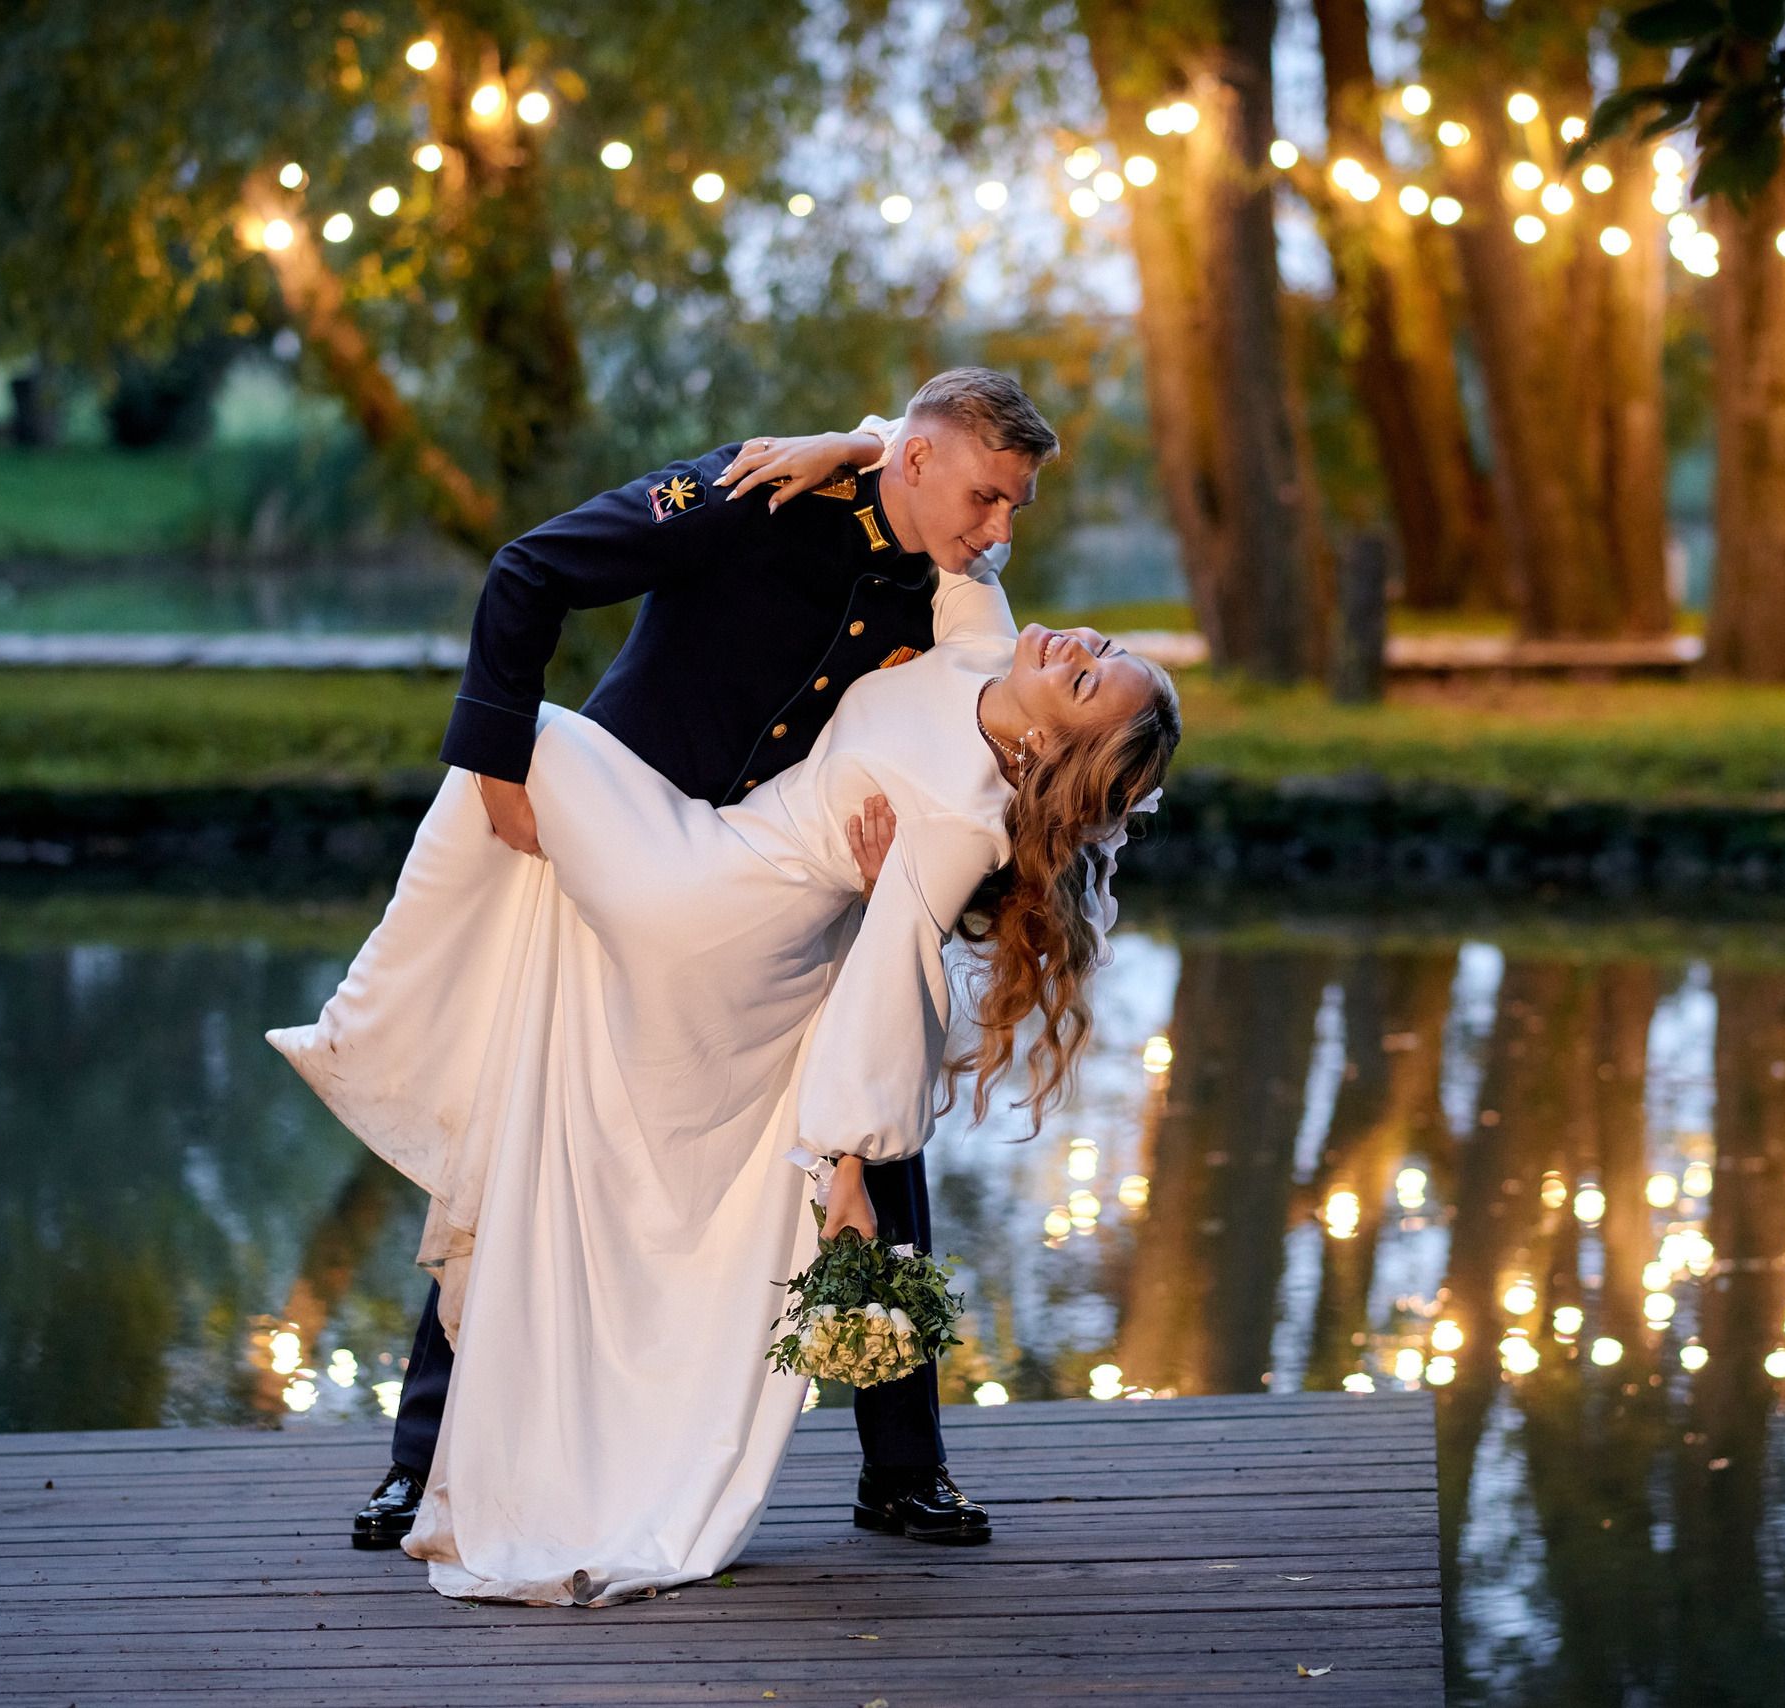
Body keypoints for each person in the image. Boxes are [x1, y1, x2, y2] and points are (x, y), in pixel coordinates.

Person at [271, 370, 1180, 1602]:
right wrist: (494, 773)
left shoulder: (970, 603)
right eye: (985, 498)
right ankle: (425, 1456)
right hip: (636, 849)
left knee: (869, 1138)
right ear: (914, 462)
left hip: (788, 915)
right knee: (522, 1122)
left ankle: (900, 1468)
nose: (1001, 530)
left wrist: (886, 909)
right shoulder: (760, 489)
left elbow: (977, 843)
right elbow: (531, 571)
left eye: (1010, 507)